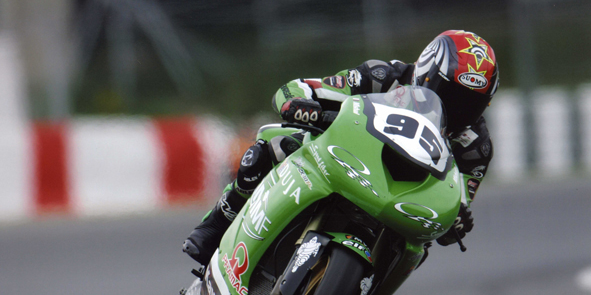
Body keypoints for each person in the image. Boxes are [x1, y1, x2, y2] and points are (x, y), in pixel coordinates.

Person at [183, 30, 499, 266]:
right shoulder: (382, 76)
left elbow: (454, 205)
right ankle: (219, 221)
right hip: (348, 161)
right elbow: (296, 89)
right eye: (449, 94)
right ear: (425, 71)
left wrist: (455, 222)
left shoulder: (476, 148)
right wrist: (299, 105)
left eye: (470, 104)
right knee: (276, 144)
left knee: (416, 251)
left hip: (402, 205)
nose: (456, 110)